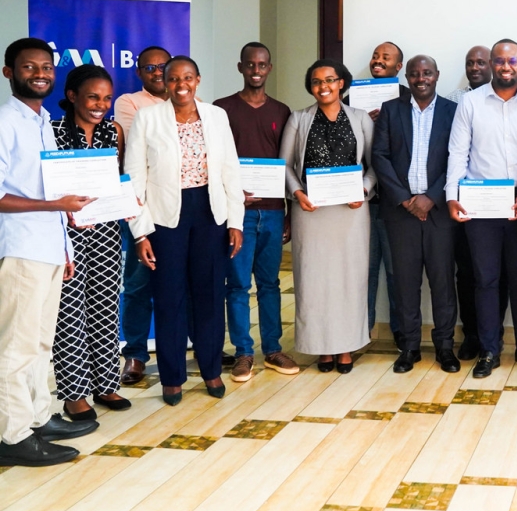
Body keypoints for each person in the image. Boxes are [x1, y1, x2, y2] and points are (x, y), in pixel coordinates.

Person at [0, 38, 97, 467]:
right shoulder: (5, 122)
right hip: (19, 248)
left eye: (46, 66)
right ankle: (11, 435)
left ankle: (38, 419)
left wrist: (66, 239)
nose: (39, 73)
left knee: (40, 342)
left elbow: (53, 189)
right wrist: (57, 207)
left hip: (49, 249)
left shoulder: (43, 121)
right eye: (28, 67)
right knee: (15, 348)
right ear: (8, 73)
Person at [129, 57, 244, 406]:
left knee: (209, 295)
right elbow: (135, 176)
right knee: (169, 297)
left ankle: (210, 370)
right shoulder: (147, 118)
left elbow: (230, 170)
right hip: (164, 219)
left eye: (188, 77)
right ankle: (172, 378)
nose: (181, 84)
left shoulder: (215, 116)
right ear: (164, 82)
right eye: (174, 78)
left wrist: (235, 221)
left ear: (198, 79)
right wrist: (140, 233)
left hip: (211, 214)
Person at [447, 39, 517, 378]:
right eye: (500, 60)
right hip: (480, 208)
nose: (506, 66)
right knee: (486, 280)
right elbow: (458, 153)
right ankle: (490, 350)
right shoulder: (471, 103)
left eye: (512, 60)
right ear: (491, 63)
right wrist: (451, 195)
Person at [282, 60, 376, 374]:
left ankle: (346, 347)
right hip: (311, 213)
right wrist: (297, 194)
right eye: (316, 82)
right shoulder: (298, 119)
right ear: (311, 87)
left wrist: (363, 191)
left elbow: (374, 166)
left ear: (342, 83)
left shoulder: (361, 118)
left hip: (351, 213)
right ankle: (321, 349)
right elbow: (284, 166)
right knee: (314, 281)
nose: (323, 87)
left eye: (330, 80)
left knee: (349, 280)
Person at [213, 42, 298, 383]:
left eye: (262, 64)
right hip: (238, 213)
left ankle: (273, 348)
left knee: (270, 284)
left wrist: (289, 212)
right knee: (236, 284)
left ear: (270, 68)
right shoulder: (222, 109)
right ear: (240, 67)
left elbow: (288, 165)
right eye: (250, 65)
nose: (256, 70)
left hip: (274, 211)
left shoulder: (282, 111)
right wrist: (231, 196)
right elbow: (215, 162)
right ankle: (244, 352)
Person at [51, 65, 131, 422]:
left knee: (103, 307)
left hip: (106, 232)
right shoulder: (51, 132)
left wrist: (130, 200)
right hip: (64, 234)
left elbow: (120, 179)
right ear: (72, 97)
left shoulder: (113, 132)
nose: (101, 104)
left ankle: (105, 383)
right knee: (69, 314)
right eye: (93, 97)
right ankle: (74, 394)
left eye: (106, 98)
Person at [373, 56, 461, 374]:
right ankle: (409, 347)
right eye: (414, 74)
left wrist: (431, 198)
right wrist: (405, 199)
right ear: (407, 77)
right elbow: (379, 156)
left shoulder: (453, 112)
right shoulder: (391, 110)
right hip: (401, 213)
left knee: (442, 283)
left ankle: (445, 347)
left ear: (437, 75)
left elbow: (458, 158)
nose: (420, 78)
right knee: (405, 284)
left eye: (427, 73)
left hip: (439, 213)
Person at [113, 45, 170, 387]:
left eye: (163, 67)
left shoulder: (190, 100)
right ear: (139, 72)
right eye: (150, 68)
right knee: (137, 283)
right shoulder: (128, 102)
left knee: (182, 283)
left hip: (180, 206)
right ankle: (135, 354)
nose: (158, 73)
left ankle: (176, 348)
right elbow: (142, 144)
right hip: (140, 205)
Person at [444, 45, 493, 360]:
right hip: (465, 201)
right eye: (469, 63)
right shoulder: (452, 100)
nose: (474, 67)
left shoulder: (511, 100)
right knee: (466, 271)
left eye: (480, 62)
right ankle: (471, 334)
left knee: (493, 272)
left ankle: (492, 335)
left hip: (501, 201)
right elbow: (451, 151)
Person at [364, 42, 408, 346]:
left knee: (397, 273)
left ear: (398, 67)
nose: (378, 61)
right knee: (363, 273)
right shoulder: (350, 98)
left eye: (386, 58)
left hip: (397, 202)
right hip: (362, 202)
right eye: (376, 56)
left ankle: (402, 336)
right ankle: (360, 334)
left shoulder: (408, 98)